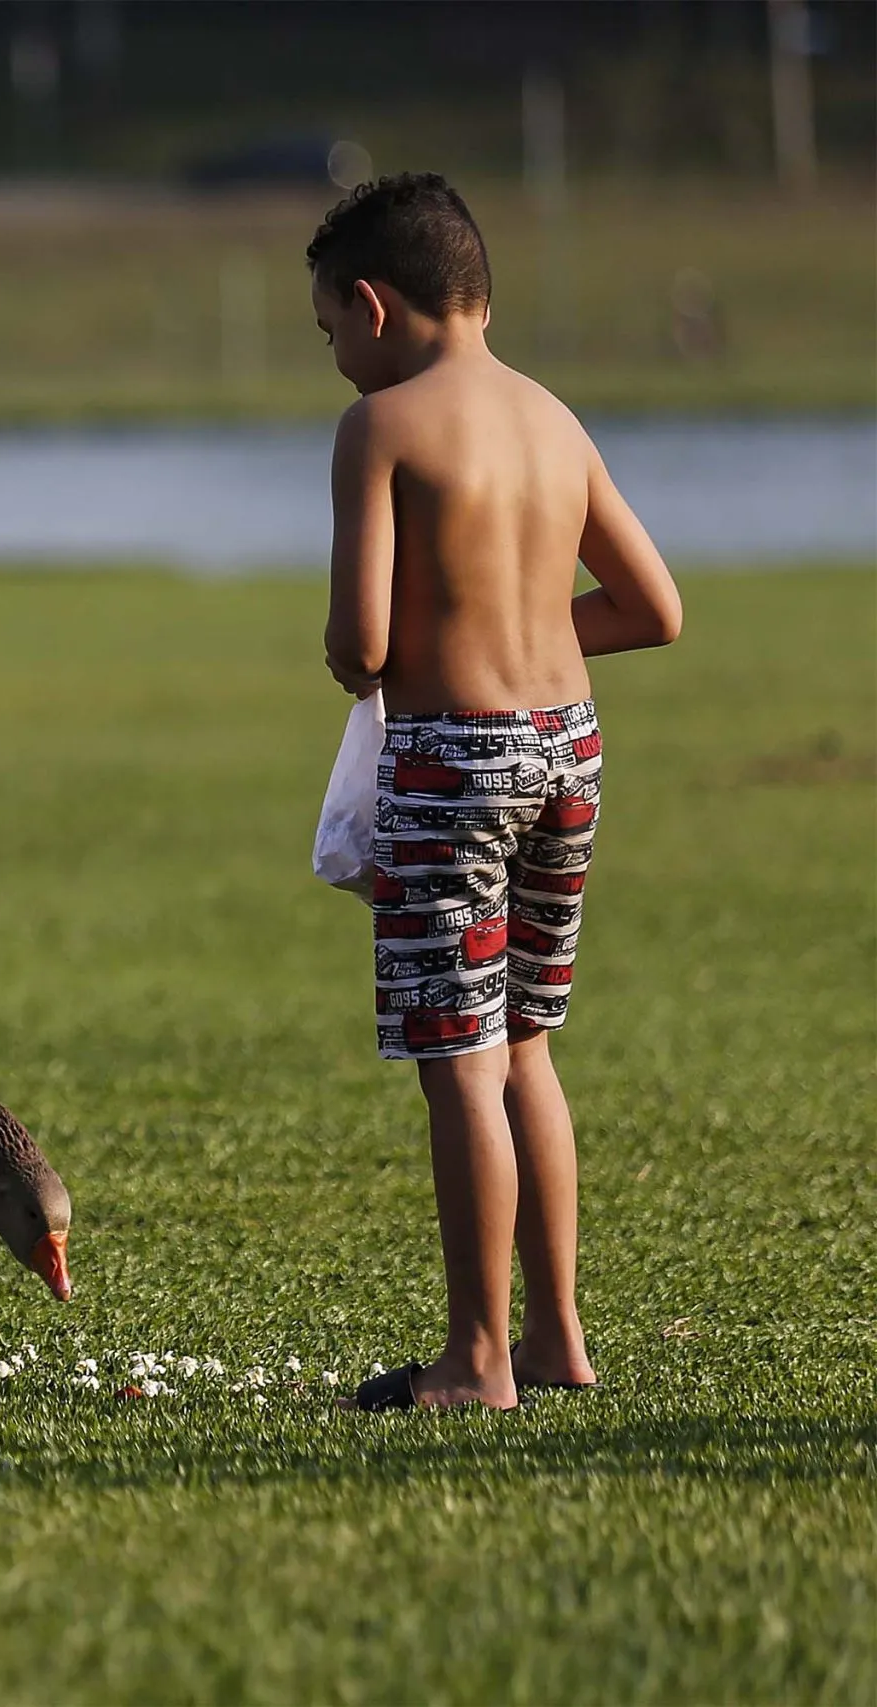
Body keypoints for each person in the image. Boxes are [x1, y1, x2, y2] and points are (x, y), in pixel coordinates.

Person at [309, 174, 683, 1412]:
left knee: (458, 1060)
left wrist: (388, 646)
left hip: (453, 763)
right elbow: (650, 609)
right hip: (566, 747)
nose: (335, 363)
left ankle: (475, 1360)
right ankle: (555, 1338)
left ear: (371, 305)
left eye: (328, 333)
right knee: (524, 1041)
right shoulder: (551, 416)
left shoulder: (384, 428)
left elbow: (362, 644)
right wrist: (518, 617)